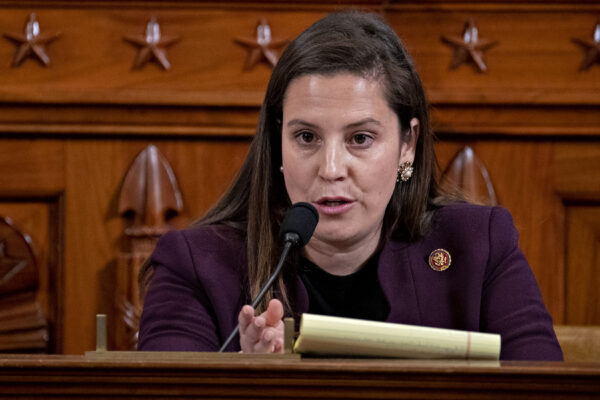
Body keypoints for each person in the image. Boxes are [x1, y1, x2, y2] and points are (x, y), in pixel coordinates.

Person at [137, 10, 563, 360]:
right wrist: (246, 383)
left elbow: (544, 391)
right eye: (307, 138)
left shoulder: (479, 247)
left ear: (407, 145)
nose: (332, 168)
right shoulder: (195, 266)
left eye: (360, 138)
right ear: (277, 144)